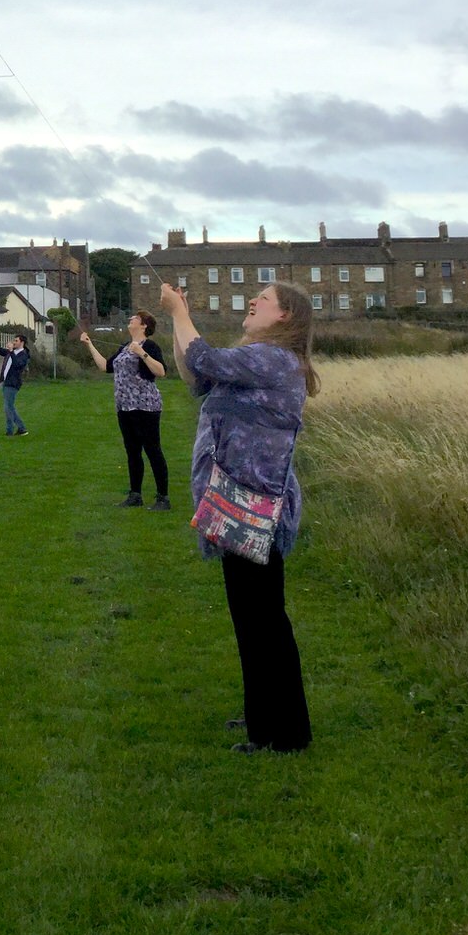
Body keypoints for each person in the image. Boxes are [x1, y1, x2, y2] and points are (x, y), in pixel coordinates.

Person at [160, 279, 318, 755]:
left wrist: (179, 312)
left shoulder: (274, 360)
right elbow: (197, 377)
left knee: (263, 619)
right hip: (240, 504)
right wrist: (177, 317)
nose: (254, 302)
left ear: (284, 315)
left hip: (255, 508)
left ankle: (284, 735)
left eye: (263, 299)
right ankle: (263, 718)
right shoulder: (262, 361)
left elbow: (203, 359)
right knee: (252, 617)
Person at [80, 313, 170, 508]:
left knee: (153, 450)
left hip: (146, 406)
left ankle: (163, 498)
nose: (130, 319)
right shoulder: (123, 347)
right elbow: (105, 367)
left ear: (144, 325)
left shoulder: (149, 346)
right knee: (132, 451)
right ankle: (135, 496)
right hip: (124, 406)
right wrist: (89, 344)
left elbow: (161, 371)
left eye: (134, 318)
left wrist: (141, 353)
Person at [0, 328, 30, 435]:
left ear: (22, 343)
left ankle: (11, 430)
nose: (14, 342)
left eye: (16, 341)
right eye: (14, 341)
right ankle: (20, 428)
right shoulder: (12, 352)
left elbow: (17, 364)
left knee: (8, 407)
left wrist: (11, 351)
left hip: (13, 383)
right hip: (7, 382)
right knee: (10, 407)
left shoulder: (23, 355)